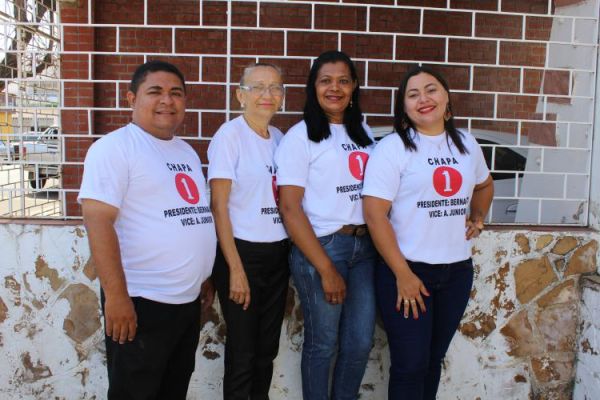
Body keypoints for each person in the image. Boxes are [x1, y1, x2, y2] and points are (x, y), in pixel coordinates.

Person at [78, 60, 217, 400]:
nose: (167, 100)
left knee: (173, 390)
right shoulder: (113, 148)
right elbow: (98, 222)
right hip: (141, 301)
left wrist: (203, 276)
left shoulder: (185, 151)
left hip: (185, 302)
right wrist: (116, 297)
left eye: (176, 93)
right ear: (131, 99)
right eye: (155, 91)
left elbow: (192, 214)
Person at [362, 65, 494, 400]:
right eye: (413, 94)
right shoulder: (393, 148)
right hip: (407, 272)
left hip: (456, 272)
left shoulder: (466, 144)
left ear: (446, 97)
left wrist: (478, 216)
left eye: (431, 89)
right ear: (404, 107)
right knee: (410, 366)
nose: (423, 99)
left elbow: (484, 185)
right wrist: (402, 274)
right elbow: (375, 216)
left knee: (433, 361)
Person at [274, 50, 377, 400]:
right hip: (323, 247)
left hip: (364, 249)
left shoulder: (362, 131)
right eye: (326, 81)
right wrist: (326, 268)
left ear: (354, 86)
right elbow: (290, 209)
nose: (335, 88)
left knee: (360, 343)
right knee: (323, 344)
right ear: (313, 87)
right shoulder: (300, 137)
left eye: (343, 81)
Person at [207, 63, 289, 400]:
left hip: (277, 254)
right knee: (243, 353)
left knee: (266, 350)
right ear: (240, 95)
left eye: (275, 87)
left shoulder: (280, 139)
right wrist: (236, 270)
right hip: (241, 253)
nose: (267, 94)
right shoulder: (230, 136)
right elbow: (219, 206)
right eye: (257, 87)